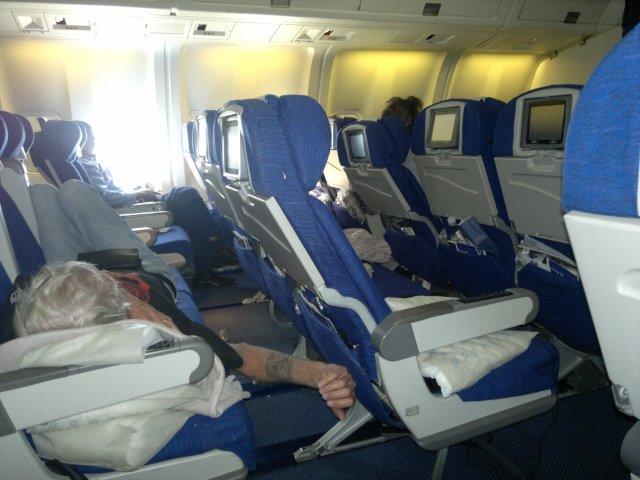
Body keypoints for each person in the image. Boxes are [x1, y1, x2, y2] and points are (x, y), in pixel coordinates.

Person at [12, 261, 356, 419]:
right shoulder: (34, 321)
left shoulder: (157, 317)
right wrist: (322, 374)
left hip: (147, 271)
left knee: (72, 190)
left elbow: (241, 357)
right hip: (86, 275)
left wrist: (319, 373)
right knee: (64, 192)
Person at [76, 121, 234, 288]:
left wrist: (137, 191)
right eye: (90, 136)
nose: (94, 139)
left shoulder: (89, 162)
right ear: (82, 140)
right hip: (128, 209)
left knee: (189, 212)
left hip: (130, 204)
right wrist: (137, 194)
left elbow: (111, 191)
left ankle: (208, 262)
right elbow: (105, 197)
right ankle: (215, 247)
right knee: (186, 196)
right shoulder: (86, 165)